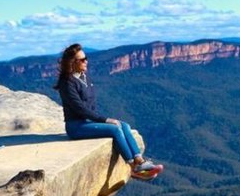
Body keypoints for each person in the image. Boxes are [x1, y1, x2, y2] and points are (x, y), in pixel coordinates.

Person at [54, 43, 163, 180]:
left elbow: (90, 104)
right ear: (72, 62)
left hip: (88, 122)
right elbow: (80, 109)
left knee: (124, 125)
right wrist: (105, 120)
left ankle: (140, 161)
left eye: (85, 58)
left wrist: (101, 120)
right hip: (76, 126)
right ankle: (133, 168)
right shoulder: (67, 83)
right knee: (115, 129)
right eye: (82, 59)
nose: (86, 61)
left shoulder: (84, 76)